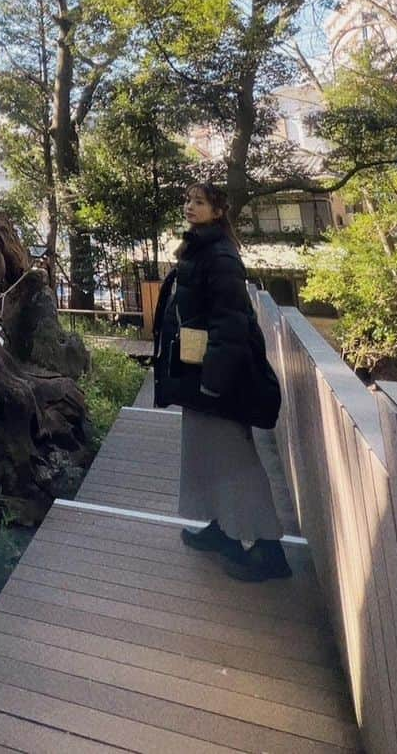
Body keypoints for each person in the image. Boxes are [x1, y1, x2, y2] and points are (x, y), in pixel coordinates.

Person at [152, 183, 289, 582]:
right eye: (188, 200)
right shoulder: (199, 248)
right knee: (205, 453)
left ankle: (269, 550)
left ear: (218, 211)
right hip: (199, 370)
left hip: (217, 375)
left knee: (235, 459)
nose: (190, 206)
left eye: (199, 202)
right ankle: (223, 530)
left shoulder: (221, 256)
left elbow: (230, 322)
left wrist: (214, 380)